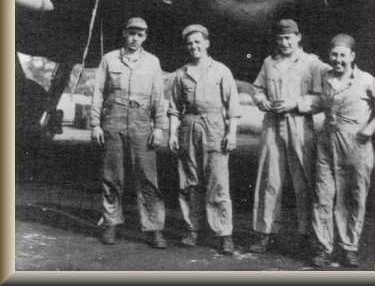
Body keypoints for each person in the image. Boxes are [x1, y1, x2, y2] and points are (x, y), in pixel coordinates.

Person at [250, 18, 328, 254]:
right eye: (280, 38)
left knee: (303, 181)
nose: (284, 42)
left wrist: (296, 104)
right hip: (272, 124)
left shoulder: (312, 64)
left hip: (299, 125)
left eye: (288, 37)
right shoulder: (269, 63)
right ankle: (265, 233)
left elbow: (323, 97)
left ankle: (307, 234)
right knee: (269, 180)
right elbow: (257, 89)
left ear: (298, 37)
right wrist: (262, 101)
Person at [90, 17, 167, 248]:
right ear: (125, 33)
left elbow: (158, 97)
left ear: (145, 37)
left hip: (142, 124)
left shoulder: (153, 62)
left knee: (147, 179)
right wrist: (95, 123)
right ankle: (111, 224)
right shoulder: (109, 59)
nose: (135, 38)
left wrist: (160, 127)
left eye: (140, 34)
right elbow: (98, 92)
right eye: (132, 33)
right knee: (112, 176)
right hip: (113, 121)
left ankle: (153, 228)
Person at [168, 24, 241, 255]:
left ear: (207, 43)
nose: (194, 47)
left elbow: (233, 106)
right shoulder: (181, 74)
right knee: (189, 182)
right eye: (190, 44)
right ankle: (192, 229)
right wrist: (172, 133)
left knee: (218, 183)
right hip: (189, 127)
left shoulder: (221, 71)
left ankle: (224, 233)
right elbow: (173, 108)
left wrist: (231, 133)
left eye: (198, 42)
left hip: (214, 128)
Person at [311, 34, 375, 268]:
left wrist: (371, 128)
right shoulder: (326, 77)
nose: (338, 60)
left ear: (353, 56)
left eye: (342, 56)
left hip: (356, 143)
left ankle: (349, 247)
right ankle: (323, 248)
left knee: (353, 197)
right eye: (334, 55)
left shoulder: (366, 80)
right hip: (328, 142)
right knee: (323, 196)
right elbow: (318, 103)